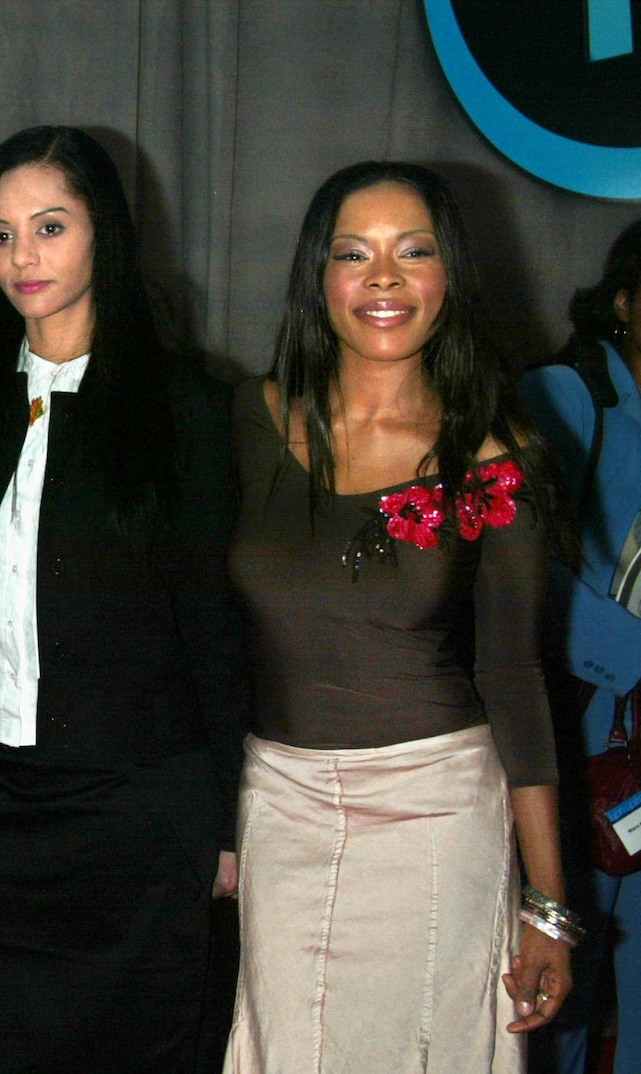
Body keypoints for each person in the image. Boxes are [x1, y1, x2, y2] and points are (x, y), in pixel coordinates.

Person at [0, 126, 247, 1072]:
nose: (22, 258)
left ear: (103, 234)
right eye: (0, 236)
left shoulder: (186, 409)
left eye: (49, 227)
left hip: (128, 811)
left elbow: (214, 628)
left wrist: (226, 821)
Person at [223, 161, 574, 1072]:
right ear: (319, 276)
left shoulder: (497, 456)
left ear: (449, 273)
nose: (384, 277)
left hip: (436, 813)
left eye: (413, 251)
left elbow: (517, 678)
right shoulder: (247, 419)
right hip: (281, 806)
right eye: (354, 253)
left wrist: (547, 906)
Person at [518, 220, 641, 1074]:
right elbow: (515, 573)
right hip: (580, 746)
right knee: (558, 1002)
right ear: (624, 302)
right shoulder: (565, 397)